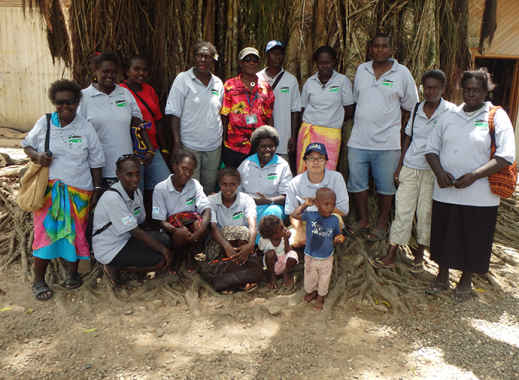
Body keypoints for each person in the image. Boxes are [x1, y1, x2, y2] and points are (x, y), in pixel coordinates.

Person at [424, 70, 515, 301]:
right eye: (467, 89)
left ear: (486, 91)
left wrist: (474, 176)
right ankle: (442, 277)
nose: (471, 94)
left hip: (480, 195)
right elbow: (431, 149)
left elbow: (506, 156)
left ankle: (465, 282)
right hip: (446, 191)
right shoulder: (449, 115)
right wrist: (439, 173)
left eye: (477, 90)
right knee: (444, 234)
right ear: (461, 90)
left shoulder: (496, 116)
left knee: (473, 236)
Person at [22, 79, 105, 300]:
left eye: (70, 102)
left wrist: (97, 189)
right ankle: (38, 280)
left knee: (75, 236)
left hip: (79, 193)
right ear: (54, 102)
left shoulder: (86, 128)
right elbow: (27, 145)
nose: (65, 107)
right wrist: (38, 156)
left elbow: (97, 161)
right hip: (49, 193)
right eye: (60, 103)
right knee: (45, 236)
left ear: (77, 102)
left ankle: (72, 274)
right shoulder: (45, 123)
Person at [374, 69, 456, 269]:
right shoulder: (417, 107)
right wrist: (399, 166)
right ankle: (392, 252)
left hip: (434, 171)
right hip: (411, 166)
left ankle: (420, 253)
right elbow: (408, 137)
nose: (430, 91)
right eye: (427, 87)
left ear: (443, 89)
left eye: (435, 88)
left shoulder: (451, 112)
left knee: (425, 212)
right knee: (403, 210)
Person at [347, 33, 419, 242]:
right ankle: (363, 220)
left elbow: (411, 107)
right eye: (376, 46)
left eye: (384, 46)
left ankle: (380, 224)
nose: (379, 50)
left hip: (388, 144)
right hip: (359, 140)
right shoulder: (362, 69)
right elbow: (357, 100)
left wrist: (399, 132)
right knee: (357, 182)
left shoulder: (402, 73)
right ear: (370, 49)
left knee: (386, 186)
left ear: (391, 49)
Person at [92, 155, 172, 286]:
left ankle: (128, 262)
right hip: (110, 247)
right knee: (160, 260)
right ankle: (113, 266)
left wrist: (159, 241)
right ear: (118, 174)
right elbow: (135, 231)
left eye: (137, 174)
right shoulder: (112, 198)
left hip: (126, 239)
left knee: (165, 239)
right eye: (129, 175)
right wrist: (163, 250)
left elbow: (140, 222)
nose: (135, 179)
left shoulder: (136, 192)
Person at [78, 52, 146, 186]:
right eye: (105, 71)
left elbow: (137, 120)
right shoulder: (84, 97)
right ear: (95, 71)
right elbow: (78, 132)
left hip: (127, 170)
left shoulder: (124, 93)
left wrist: (144, 148)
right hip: (99, 170)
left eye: (114, 72)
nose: (110, 75)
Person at [165, 41, 224, 194]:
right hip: (190, 145)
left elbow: (221, 113)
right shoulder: (183, 79)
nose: (203, 60)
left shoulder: (218, 83)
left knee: (209, 187)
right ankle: (192, 217)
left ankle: (207, 216)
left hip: (213, 146)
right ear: (194, 58)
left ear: (213, 60)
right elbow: (174, 113)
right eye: (200, 56)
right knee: (191, 188)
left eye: (207, 57)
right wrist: (177, 143)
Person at [120, 55, 170, 222]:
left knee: (162, 184)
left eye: (144, 70)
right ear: (127, 71)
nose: (140, 73)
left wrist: (163, 148)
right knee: (136, 189)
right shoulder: (120, 91)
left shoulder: (149, 90)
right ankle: (137, 225)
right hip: (134, 151)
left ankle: (156, 221)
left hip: (153, 148)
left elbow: (158, 120)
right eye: (136, 69)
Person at [296, 46, 354, 173]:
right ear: (316, 63)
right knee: (305, 169)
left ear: (334, 62)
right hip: (308, 132)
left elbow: (349, 109)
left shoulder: (342, 81)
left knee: (327, 170)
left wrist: (331, 120)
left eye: (328, 62)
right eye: (321, 63)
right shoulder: (310, 82)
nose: (325, 66)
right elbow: (302, 108)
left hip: (331, 133)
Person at [152, 151, 211, 274]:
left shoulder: (195, 184)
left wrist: (201, 229)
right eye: (184, 168)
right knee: (181, 234)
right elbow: (159, 220)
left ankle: (190, 254)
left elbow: (206, 208)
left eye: (191, 170)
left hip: (190, 223)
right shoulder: (160, 188)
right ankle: (178, 256)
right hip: (171, 228)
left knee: (199, 225)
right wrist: (175, 230)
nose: (187, 174)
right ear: (174, 166)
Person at [291, 188, 345, 310]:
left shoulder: (334, 219)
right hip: (310, 255)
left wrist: (339, 239)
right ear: (316, 204)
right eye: (326, 204)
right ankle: (311, 292)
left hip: (327, 257)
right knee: (310, 275)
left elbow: (338, 234)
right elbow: (294, 215)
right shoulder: (311, 216)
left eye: (333, 204)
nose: (330, 208)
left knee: (324, 278)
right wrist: (305, 204)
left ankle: (321, 297)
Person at [285, 143, 349, 248]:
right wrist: (299, 229)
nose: (315, 162)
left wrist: (320, 207)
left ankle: (323, 244)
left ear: (326, 162)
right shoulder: (295, 182)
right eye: (311, 158)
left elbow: (343, 210)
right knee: (290, 241)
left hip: (329, 219)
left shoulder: (336, 178)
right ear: (305, 162)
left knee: (335, 221)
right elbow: (291, 212)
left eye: (320, 158)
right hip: (304, 222)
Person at [220, 47, 275, 168]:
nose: (251, 63)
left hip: (258, 146)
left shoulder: (265, 87)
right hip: (234, 146)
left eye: (254, 60)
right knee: (235, 181)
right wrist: (222, 143)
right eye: (247, 60)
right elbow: (224, 117)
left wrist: (271, 141)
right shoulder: (229, 85)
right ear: (240, 63)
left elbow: (269, 117)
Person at [206, 168, 259, 291]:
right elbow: (213, 227)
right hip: (218, 244)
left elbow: (252, 224)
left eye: (232, 184)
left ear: (238, 184)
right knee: (236, 231)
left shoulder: (247, 200)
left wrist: (250, 245)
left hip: (241, 244)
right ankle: (232, 280)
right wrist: (227, 246)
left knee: (244, 232)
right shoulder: (211, 201)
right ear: (219, 184)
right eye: (224, 184)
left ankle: (240, 277)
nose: (228, 188)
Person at [237, 126, 293, 235]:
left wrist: (268, 200)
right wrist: (250, 201)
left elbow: (287, 196)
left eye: (271, 146)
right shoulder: (246, 164)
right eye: (263, 146)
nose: (267, 150)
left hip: (272, 205)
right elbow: (237, 191)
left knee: (272, 215)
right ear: (256, 148)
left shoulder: (282, 165)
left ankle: (260, 247)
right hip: (248, 205)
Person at [257, 40, 301, 164]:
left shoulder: (291, 80)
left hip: (283, 138)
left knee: (281, 170)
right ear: (267, 56)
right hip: (261, 136)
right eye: (273, 53)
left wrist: (293, 136)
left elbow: (295, 110)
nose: (277, 57)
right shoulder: (257, 78)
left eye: (280, 53)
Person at [258, 215, 298, 289]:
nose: (285, 229)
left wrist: (286, 239)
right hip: (273, 266)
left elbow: (288, 251)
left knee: (293, 255)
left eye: (283, 226)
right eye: (281, 228)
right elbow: (262, 252)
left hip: (285, 264)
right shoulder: (264, 241)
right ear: (273, 234)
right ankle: (272, 278)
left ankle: (286, 274)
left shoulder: (284, 237)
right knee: (270, 254)